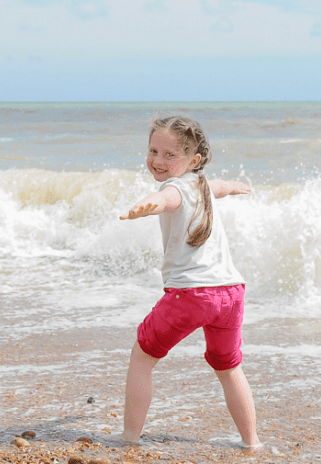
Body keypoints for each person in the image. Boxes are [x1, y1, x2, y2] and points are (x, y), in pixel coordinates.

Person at [116, 115, 261, 448]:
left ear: (193, 160)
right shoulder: (203, 183)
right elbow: (222, 187)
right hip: (231, 295)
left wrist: (143, 206)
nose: (158, 160)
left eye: (170, 155)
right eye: (153, 151)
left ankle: (129, 437)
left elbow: (166, 200)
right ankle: (252, 442)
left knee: (142, 357)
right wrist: (238, 187)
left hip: (192, 295)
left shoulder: (174, 187)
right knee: (229, 368)